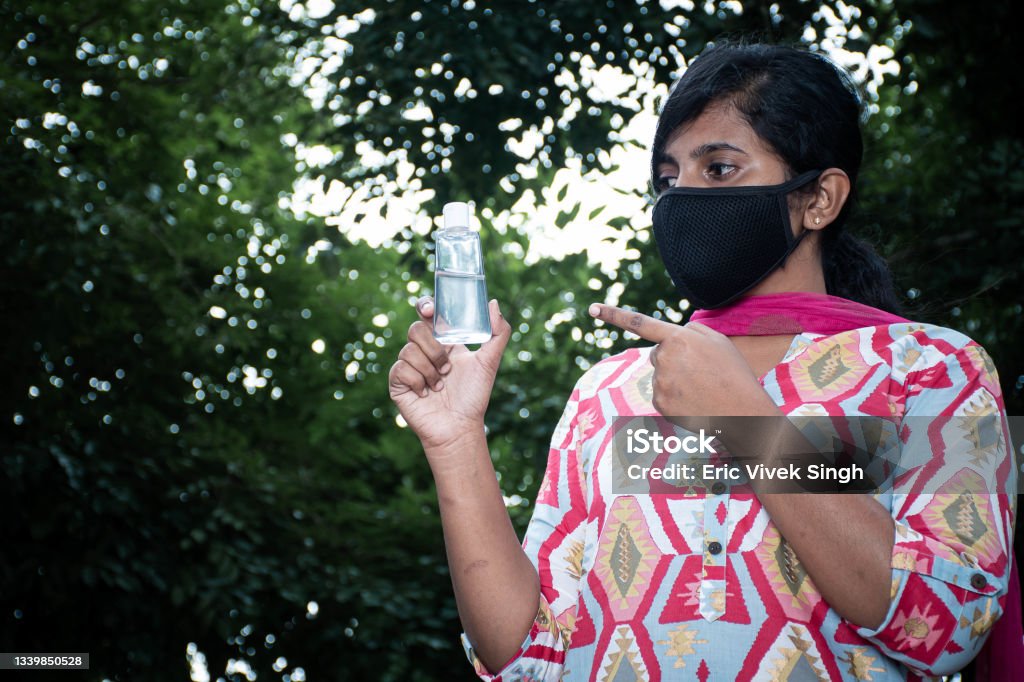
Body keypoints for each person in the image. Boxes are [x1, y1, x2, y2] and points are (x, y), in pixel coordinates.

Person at [387, 41, 1019, 680]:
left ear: (819, 199)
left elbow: (942, 620)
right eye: (668, 179)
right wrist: (457, 442)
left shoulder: (931, 370)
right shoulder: (610, 389)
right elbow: (530, 654)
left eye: (718, 168)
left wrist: (740, 417)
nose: (681, 198)